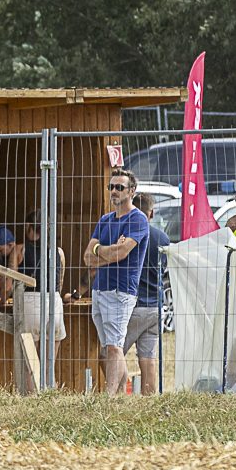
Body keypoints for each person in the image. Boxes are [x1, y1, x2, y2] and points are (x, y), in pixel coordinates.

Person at [86, 167, 149, 396]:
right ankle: (122, 394)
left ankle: (110, 397)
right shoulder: (105, 220)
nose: (114, 191)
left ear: (132, 191)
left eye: (119, 187)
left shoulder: (138, 219)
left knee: (114, 347)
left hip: (120, 291)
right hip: (99, 289)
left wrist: (101, 250)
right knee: (110, 348)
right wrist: (107, 250)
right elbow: (87, 257)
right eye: (111, 186)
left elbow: (122, 253)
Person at [5, 209, 65, 395]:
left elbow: (9, 284)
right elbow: (60, 283)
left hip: (30, 302)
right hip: (54, 303)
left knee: (31, 363)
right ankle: (49, 398)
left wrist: (2, 299)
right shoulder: (59, 252)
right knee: (49, 364)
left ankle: (31, 399)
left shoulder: (19, 250)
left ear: (28, 227)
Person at [125, 196, 169, 396]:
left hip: (134, 306)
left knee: (111, 354)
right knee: (148, 359)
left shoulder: (128, 238)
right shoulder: (162, 238)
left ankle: (118, 394)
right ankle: (148, 400)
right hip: (155, 307)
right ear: (151, 213)